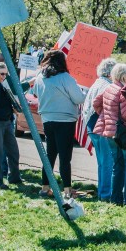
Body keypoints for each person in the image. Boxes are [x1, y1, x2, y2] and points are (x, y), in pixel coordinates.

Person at [32, 50, 86, 198]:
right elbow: (79, 98)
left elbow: (35, 92)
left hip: (47, 119)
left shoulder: (40, 77)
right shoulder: (65, 77)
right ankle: (67, 190)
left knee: (49, 154)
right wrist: (84, 92)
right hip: (65, 120)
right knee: (65, 156)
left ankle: (45, 187)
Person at [93, 63, 126, 206]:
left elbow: (96, 103)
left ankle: (115, 199)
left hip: (110, 132)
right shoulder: (125, 91)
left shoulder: (109, 88)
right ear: (124, 76)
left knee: (117, 166)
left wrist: (107, 116)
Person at [83, 58, 117, 201]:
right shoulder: (107, 86)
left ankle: (102, 192)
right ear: (110, 73)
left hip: (91, 126)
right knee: (108, 162)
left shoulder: (96, 83)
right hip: (101, 127)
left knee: (102, 163)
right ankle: (106, 194)